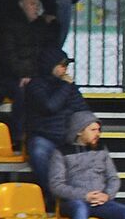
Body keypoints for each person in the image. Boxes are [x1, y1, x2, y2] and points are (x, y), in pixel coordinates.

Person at [47, 113, 125, 219]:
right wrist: (85, 195)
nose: (98, 134)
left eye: (98, 130)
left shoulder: (102, 149)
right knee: (80, 208)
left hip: (101, 201)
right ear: (79, 131)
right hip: (74, 202)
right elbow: (56, 185)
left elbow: (113, 178)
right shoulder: (61, 152)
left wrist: (107, 195)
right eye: (93, 130)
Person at [15, 48, 88, 182]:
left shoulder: (70, 87)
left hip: (67, 138)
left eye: (67, 65)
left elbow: (82, 109)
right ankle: (55, 192)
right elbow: (50, 106)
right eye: (62, 65)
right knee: (39, 151)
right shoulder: (35, 85)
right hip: (44, 137)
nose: (65, 68)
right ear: (50, 65)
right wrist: (65, 87)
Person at [0, 0, 62, 96]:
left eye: (38, 4)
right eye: (32, 4)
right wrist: (24, 74)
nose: (37, 7)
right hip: (14, 75)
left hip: (36, 74)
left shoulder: (41, 25)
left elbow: (49, 49)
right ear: (21, 5)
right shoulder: (10, 27)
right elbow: (9, 55)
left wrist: (53, 25)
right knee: (23, 91)